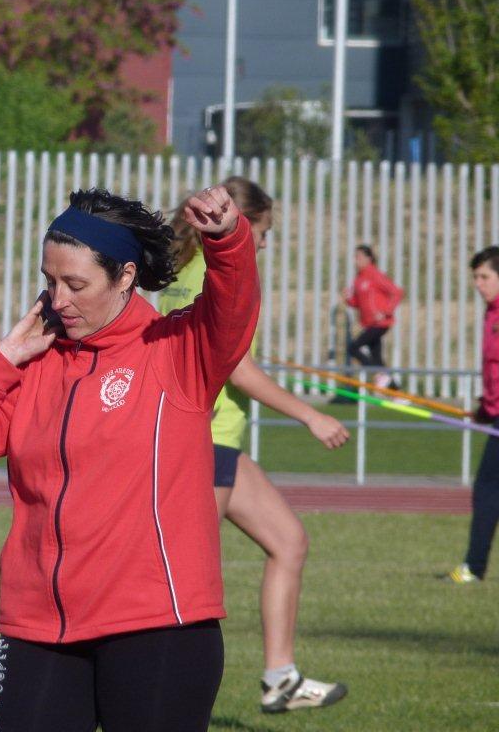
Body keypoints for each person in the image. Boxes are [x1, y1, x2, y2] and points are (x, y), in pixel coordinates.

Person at [0, 185, 260, 731]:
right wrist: (2, 359)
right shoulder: (36, 366)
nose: (58, 300)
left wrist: (227, 239)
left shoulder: (176, 351)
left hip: (157, 627)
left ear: (125, 277)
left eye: (76, 285)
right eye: (49, 281)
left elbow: (232, 306)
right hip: (39, 627)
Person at [159, 176, 350, 714]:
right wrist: (311, 415)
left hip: (218, 440)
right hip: (205, 439)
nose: (263, 243)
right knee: (184, 582)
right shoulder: (212, 273)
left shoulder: (186, 270)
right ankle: (146, 693)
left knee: (288, 541)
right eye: (262, 231)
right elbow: (237, 369)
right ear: (240, 223)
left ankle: (280, 678)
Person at [450, 246, 499, 584]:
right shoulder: (491, 314)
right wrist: (485, 409)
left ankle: (473, 567)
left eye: (484, 277)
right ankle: (474, 566)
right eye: (475, 278)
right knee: (488, 489)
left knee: (487, 489)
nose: (478, 284)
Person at [342, 245, 404, 388]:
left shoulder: (375, 275)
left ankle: (378, 375)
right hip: (369, 323)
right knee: (377, 360)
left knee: (353, 348)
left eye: (359, 257)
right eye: (355, 257)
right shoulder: (358, 279)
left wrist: (385, 312)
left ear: (368, 258)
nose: (355, 260)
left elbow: (396, 292)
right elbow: (357, 303)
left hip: (380, 323)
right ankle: (397, 392)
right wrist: (348, 299)